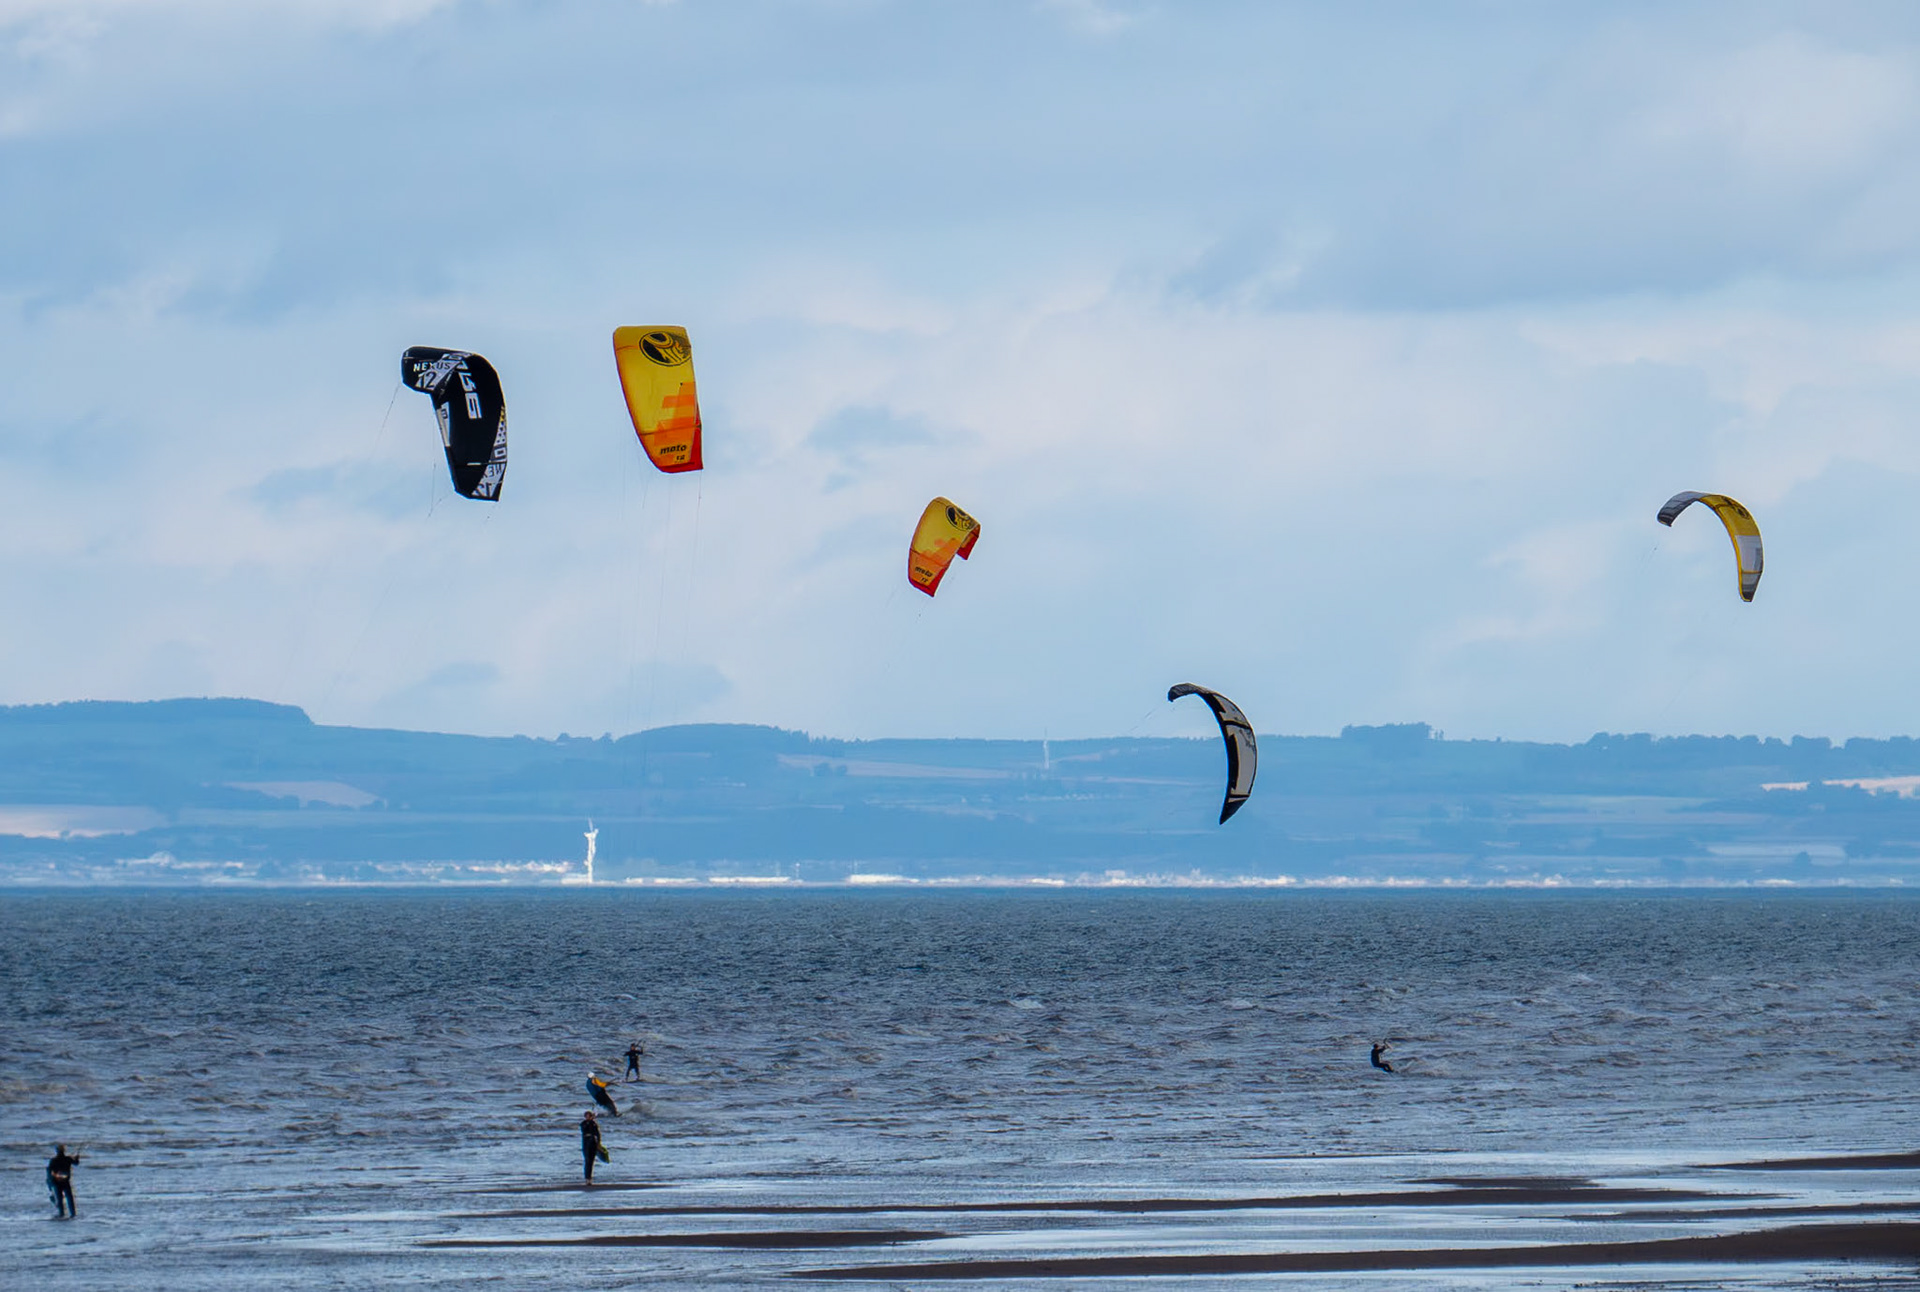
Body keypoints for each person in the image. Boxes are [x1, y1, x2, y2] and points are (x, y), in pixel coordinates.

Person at [47, 1145, 79, 1218]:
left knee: (60, 1199)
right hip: (65, 1181)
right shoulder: (68, 1159)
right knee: (69, 1198)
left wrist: (50, 1183)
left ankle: (61, 1214)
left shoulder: (53, 1160)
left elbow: (50, 1172)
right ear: (64, 1151)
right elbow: (76, 1163)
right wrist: (77, 1158)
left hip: (56, 1181)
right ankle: (72, 1214)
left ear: (56, 1151)